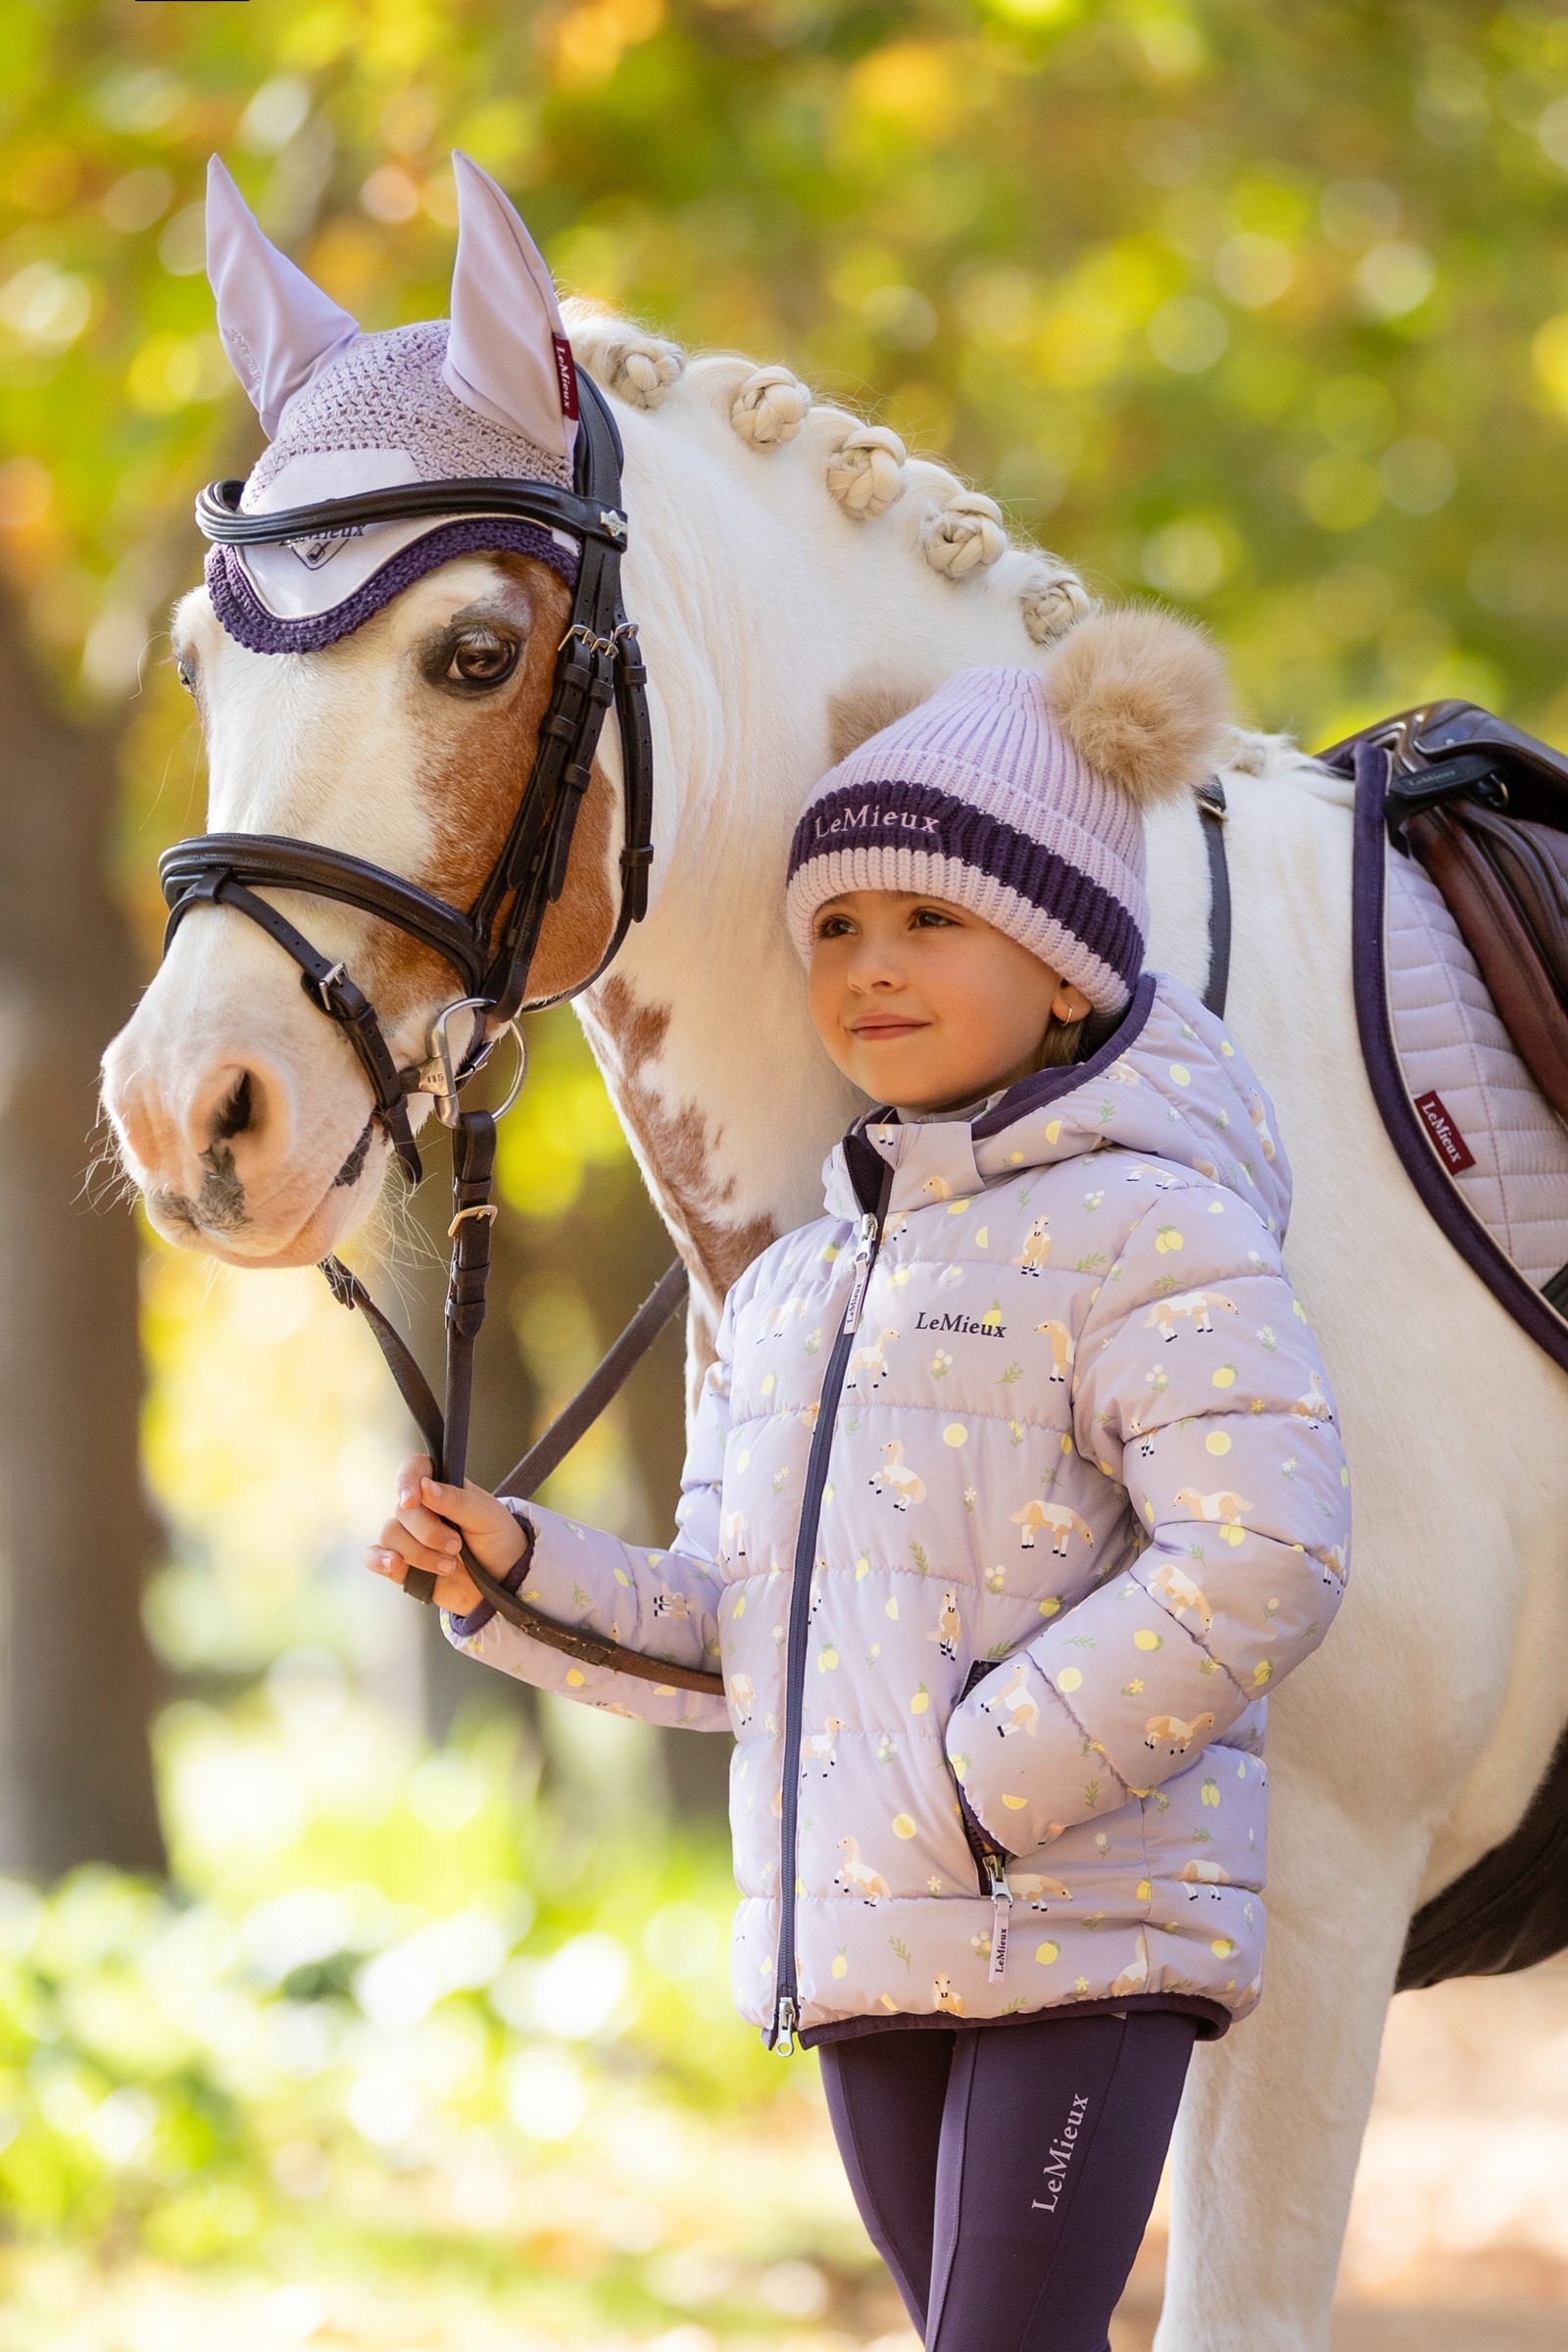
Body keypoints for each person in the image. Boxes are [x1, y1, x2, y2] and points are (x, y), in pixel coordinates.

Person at [366, 613, 1350, 2352]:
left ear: (1063, 963)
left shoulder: (1158, 1227)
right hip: (869, 1944)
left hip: (1080, 1927)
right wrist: (511, 1569)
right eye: (836, 926)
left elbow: (1265, 1551)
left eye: (929, 921)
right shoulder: (795, 1283)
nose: (869, 966)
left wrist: (979, 1776)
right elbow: (743, 1623)